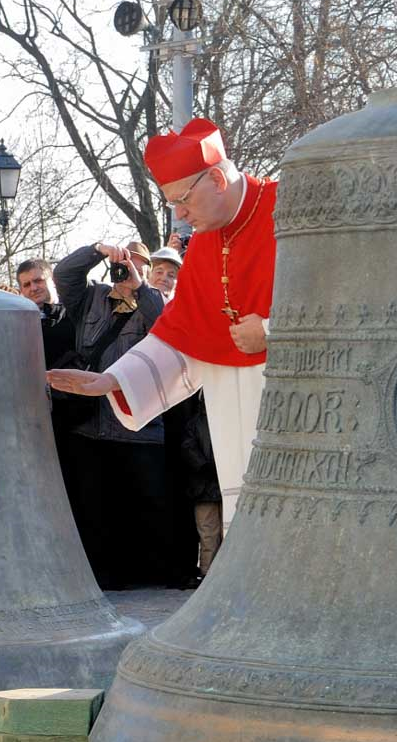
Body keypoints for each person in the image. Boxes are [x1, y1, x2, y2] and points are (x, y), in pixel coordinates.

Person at [48, 117, 275, 533]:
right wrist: (110, 380)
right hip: (233, 411)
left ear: (217, 180)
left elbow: (351, 293)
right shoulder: (206, 243)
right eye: (172, 204)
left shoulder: (293, 208)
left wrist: (276, 331)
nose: (181, 215)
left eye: (182, 200)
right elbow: (182, 335)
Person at [52, 238, 172, 588]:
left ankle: (142, 574)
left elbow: (167, 326)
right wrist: (97, 251)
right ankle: (100, 576)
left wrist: (140, 286)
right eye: (122, 263)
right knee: (93, 503)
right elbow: (64, 274)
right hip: (89, 423)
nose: (126, 269)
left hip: (137, 423)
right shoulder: (91, 299)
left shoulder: (155, 302)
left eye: (135, 264)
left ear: (146, 269)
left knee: (140, 502)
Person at [16, 259, 74, 370]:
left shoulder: (75, 312)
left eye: (38, 281)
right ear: (21, 290)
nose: (33, 288)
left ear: (53, 281)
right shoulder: (17, 325)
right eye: (27, 285)